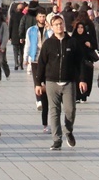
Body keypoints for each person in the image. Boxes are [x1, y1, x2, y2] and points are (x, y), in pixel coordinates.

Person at [35, 13, 90, 151]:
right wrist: (38, 83)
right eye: (56, 25)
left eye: (61, 24)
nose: (59, 26)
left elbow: (81, 63)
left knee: (70, 110)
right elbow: (41, 64)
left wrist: (82, 80)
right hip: (51, 82)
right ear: (51, 27)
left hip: (69, 82)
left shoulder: (72, 42)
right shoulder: (48, 44)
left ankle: (68, 130)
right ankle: (57, 140)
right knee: (54, 112)